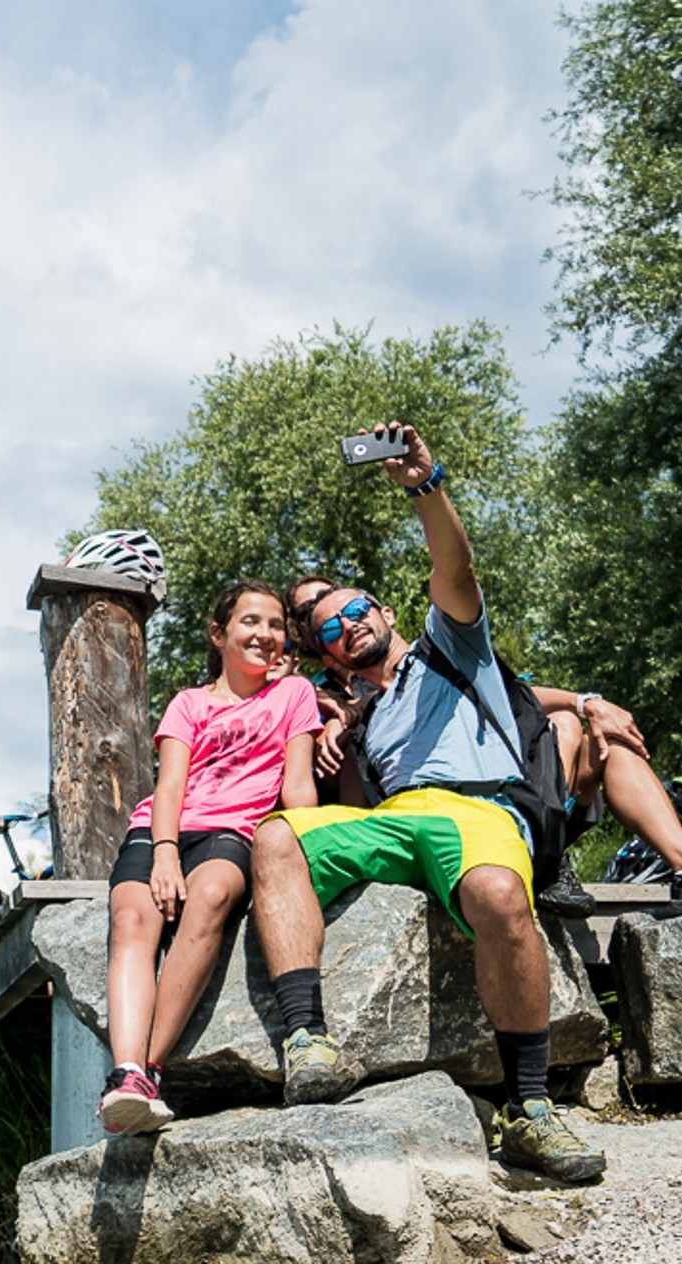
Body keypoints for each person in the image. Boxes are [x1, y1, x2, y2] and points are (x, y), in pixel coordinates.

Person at [251, 422, 608, 1182]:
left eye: (358, 611)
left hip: (478, 813)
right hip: (392, 821)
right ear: (329, 655)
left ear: (384, 613)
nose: (350, 625)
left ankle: (531, 1110)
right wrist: (331, 733)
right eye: (331, 629)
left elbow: (455, 565)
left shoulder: (451, 649)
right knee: (278, 836)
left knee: (500, 895)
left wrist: (424, 485)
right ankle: (308, 1041)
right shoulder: (352, 718)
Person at [281, 576, 682, 914]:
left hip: (514, 793)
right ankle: (547, 860)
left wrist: (587, 700)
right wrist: (338, 721)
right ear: (319, 650)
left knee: (590, 731)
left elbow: (512, 695)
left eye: (349, 606)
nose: (342, 621)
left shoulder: (439, 653)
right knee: (569, 728)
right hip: (434, 819)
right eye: (318, 620)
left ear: (384, 611)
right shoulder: (323, 704)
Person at [99, 580, 321, 1134]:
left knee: (213, 894)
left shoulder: (294, 696)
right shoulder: (189, 704)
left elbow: (298, 784)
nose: (265, 635)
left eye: (275, 625)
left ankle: (148, 1071)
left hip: (233, 831)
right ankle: (125, 1074)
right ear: (219, 635)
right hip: (164, 828)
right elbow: (169, 785)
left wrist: (310, 850)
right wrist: (165, 854)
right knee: (133, 917)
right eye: (251, 622)